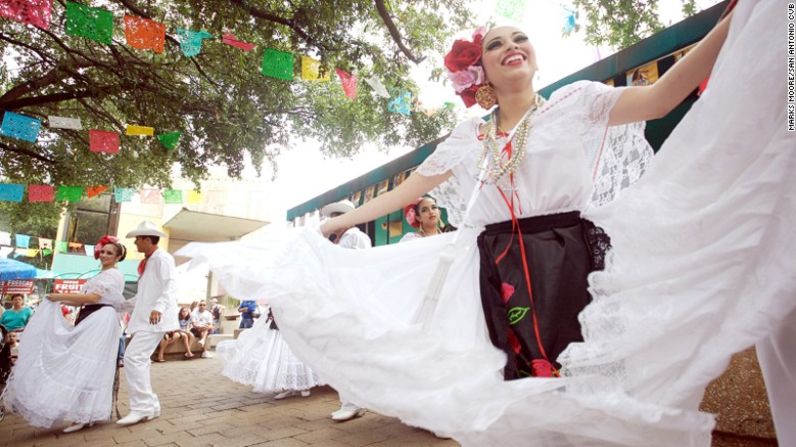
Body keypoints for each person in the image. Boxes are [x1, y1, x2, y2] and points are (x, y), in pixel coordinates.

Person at [181, 3, 794, 445]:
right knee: (517, 383)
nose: (511, 46)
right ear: (482, 72)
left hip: (572, 257)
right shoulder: (468, 136)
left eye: (519, 36)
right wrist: (330, 228)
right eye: (496, 43)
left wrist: (732, 21)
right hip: (495, 269)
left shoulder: (579, 104)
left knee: (589, 376)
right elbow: (406, 190)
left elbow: (664, 96)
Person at [2, 236, 127, 432]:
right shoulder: (102, 274)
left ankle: (84, 415)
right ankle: (85, 413)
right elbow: (84, 301)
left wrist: (59, 296)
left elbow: (94, 297)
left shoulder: (112, 275)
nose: (104, 255)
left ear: (118, 257)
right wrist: (58, 301)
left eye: (109, 253)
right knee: (87, 364)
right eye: (103, 251)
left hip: (101, 319)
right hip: (92, 315)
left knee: (85, 363)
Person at [117, 221, 179, 426]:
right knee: (137, 358)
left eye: (137, 239)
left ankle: (143, 407)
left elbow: (170, 285)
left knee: (134, 357)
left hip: (155, 319)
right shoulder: (149, 261)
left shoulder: (163, 258)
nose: (135, 242)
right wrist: (121, 305)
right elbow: (143, 295)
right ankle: (150, 406)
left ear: (146, 239)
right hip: (146, 318)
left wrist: (159, 308)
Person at [321, 200, 371, 422]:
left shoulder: (357, 237)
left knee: (352, 353)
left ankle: (355, 402)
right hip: (340, 301)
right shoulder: (338, 240)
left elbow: (364, 268)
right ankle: (350, 401)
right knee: (342, 354)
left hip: (353, 302)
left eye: (338, 216)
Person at [216, 307, 323, 399]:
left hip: (293, 330)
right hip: (277, 330)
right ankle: (287, 387)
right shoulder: (276, 295)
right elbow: (270, 312)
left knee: (295, 356)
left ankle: (303, 385)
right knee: (279, 358)